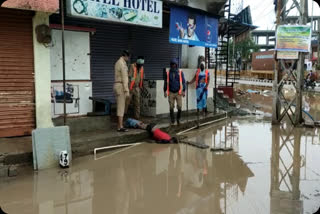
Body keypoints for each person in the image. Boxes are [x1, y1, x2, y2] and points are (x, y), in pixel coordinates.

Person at [164, 58, 186, 125]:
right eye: (172, 64)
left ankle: (178, 119)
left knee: (179, 106)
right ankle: (172, 120)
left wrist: (184, 90)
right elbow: (165, 82)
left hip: (178, 92)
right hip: (170, 92)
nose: (173, 65)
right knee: (171, 107)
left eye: (174, 64)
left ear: (176, 65)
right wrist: (164, 91)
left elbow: (184, 82)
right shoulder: (168, 73)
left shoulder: (180, 72)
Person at [114, 50, 130, 132]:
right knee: (121, 106)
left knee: (121, 106)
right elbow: (124, 78)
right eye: (128, 57)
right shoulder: (122, 63)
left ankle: (120, 125)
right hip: (121, 86)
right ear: (125, 56)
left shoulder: (119, 62)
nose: (128, 58)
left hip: (118, 85)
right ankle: (120, 126)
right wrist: (126, 90)